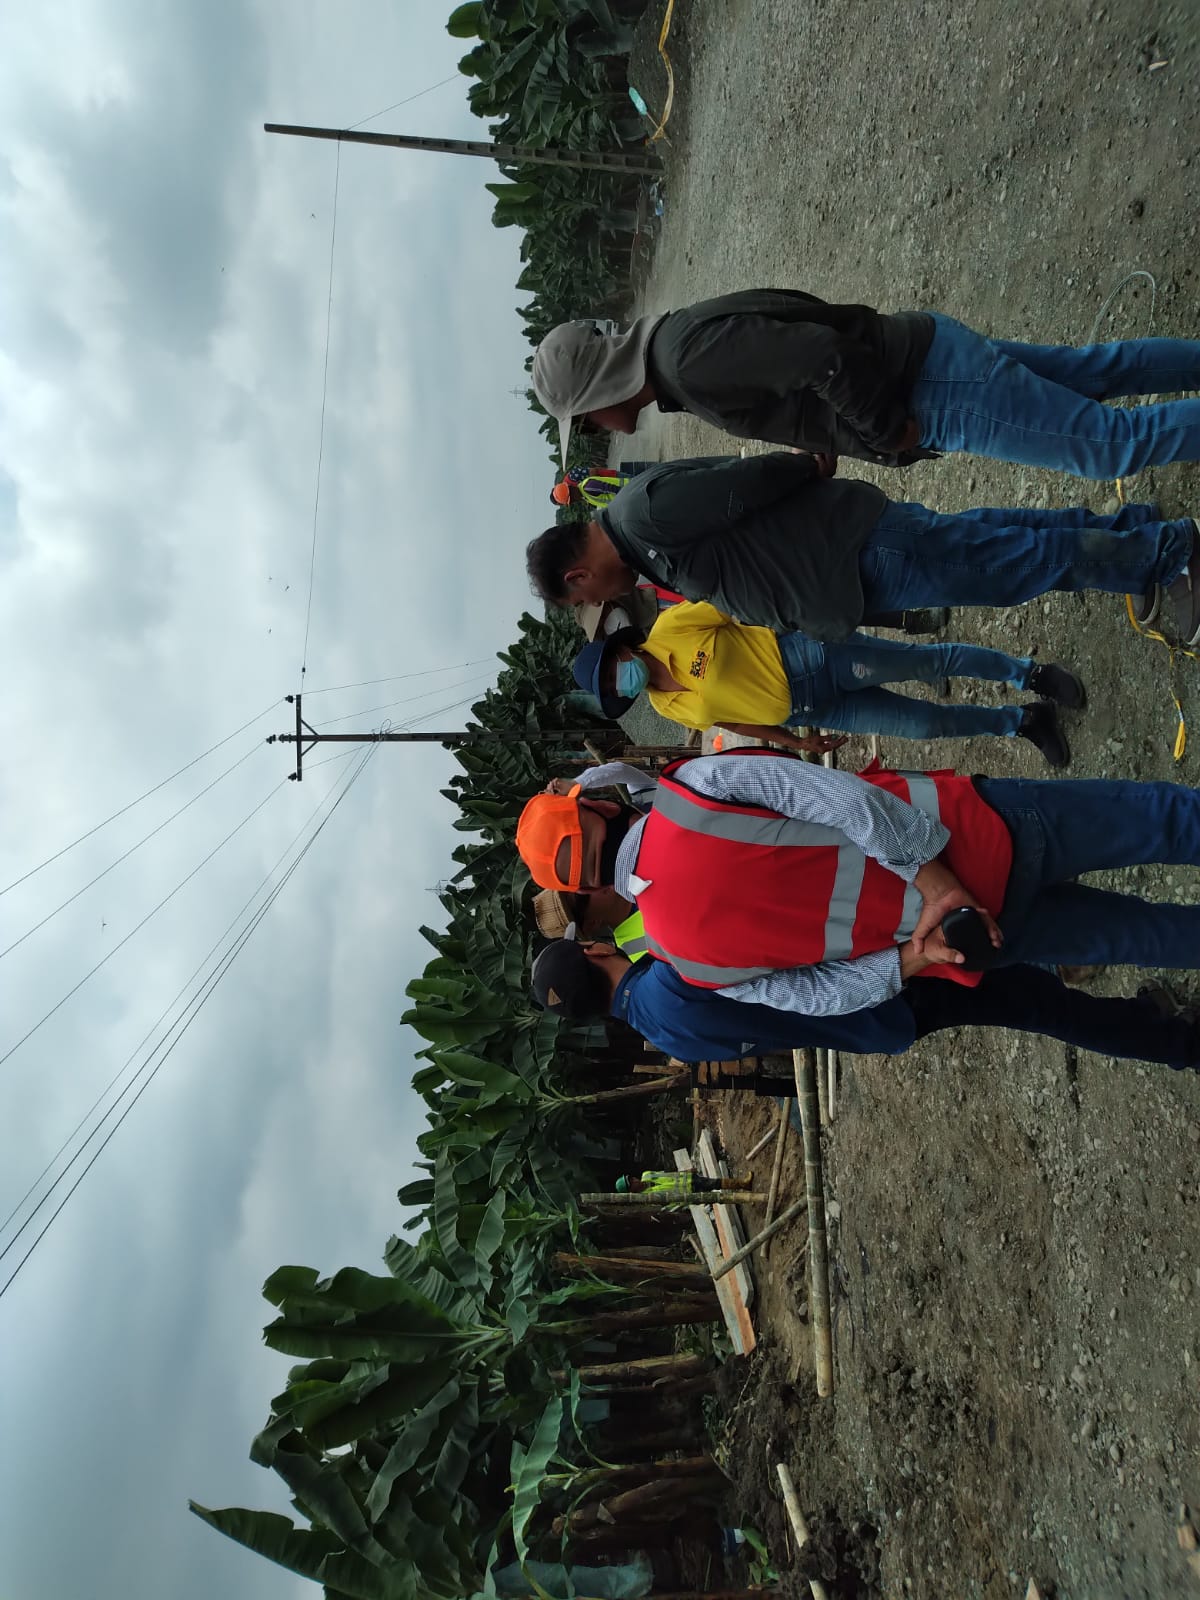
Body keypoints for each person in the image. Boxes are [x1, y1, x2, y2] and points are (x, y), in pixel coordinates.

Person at [514, 748, 1200, 1017]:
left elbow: (821, 997)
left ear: (589, 901)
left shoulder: (687, 962)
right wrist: (936, 882)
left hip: (967, 935)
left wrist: (921, 953)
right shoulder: (692, 789)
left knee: (1141, 936)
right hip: (978, 829)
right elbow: (841, 798)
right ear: (600, 805)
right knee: (1160, 823)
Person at [524, 453, 1200, 645]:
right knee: (998, 539)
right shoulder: (640, 546)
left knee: (1011, 564)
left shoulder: (642, 514)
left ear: (578, 575)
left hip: (856, 549)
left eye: (584, 599)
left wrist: (807, 465)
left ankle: (1168, 554)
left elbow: (741, 484)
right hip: (855, 565)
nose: (598, 603)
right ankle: (1129, 537)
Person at [530, 289, 1200, 480]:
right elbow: (799, 329)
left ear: (600, 394)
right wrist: (815, 433)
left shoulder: (690, 365)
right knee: (1092, 372)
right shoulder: (679, 340)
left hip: (929, 387)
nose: (596, 432)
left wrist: (885, 429)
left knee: (1109, 447)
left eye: (584, 421)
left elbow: (822, 356)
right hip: (923, 351)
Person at [530, 933, 1200, 1073]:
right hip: (880, 985)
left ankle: (1149, 1020)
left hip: (873, 1024)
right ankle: (1176, 1042)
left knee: (1021, 996)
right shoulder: (673, 973)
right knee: (1033, 1003)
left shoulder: (662, 1036)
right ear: (593, 951)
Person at [572, 603, 1084, 767]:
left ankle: (1031, 675)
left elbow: (743, 604)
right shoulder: (664, 706)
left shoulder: (671, 627)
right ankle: (1022, 721)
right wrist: (796, 741)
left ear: (622, 649)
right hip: (813, 710)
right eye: (614, 688)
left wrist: (811, 616)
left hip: (815, 657)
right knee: (925, 725)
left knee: (928, 662)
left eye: (614, 670)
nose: (622, 682)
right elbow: (735, 722)